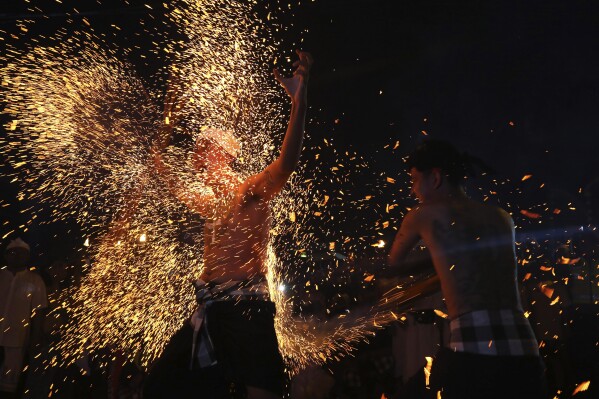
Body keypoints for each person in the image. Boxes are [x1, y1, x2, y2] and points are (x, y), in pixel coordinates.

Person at [146, 50, 312, 399]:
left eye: (200, 149)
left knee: (261, 393)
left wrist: (298, 102)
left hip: (244, 306)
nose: (193, 158)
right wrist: (165, 124)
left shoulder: (248, 191)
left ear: (220, 154)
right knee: (162, 384)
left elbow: (287, 162)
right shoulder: (207, 202)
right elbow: (160, 168)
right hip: (210, 309)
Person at [387, 140, 546, 399]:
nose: (413, 190)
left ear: (436, 177)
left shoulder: (423, 214)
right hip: (525, 348)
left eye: (415, 180)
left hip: (475, 349)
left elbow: (394, 264)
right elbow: (476, 264)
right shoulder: (501, 217)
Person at [0, 238, 48, 398]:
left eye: (22, 254)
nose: (17, 257)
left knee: (9, 387)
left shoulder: (35, 280)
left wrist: (36, 337)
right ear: (6, 255)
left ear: (28, 257)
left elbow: (38, 311)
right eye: (13, 253)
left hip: (17, 340)